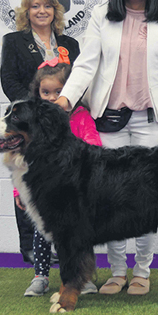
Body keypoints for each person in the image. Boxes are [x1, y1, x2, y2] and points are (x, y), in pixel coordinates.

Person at [56, 0, 158, 296]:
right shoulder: (102, 16)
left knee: (146, 201)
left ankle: (142, 272)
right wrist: (65, 100)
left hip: (152, 123)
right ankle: (116, 273)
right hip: (108, 122)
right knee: (108, 200)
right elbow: (86, 63)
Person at [0, 0, 80, 265]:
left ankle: (60, 240)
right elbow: (8, 81)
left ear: (56, 10)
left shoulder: (70, 44)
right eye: (35, 6)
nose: (41, 11)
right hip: (27, 126)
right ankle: (30, 247)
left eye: (47, 6)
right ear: (27, 11)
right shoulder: (14, 41)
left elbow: (77, 81)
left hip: (62, 124)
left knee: (59, 180)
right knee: (25, 178)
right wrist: (34, 111)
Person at [21, 59, 102, 296]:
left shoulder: (80, 117)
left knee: (80, 233)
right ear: (37, 94)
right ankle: (41, 276)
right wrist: (19, 192)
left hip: (74, 193)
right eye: (45, 92)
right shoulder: (32, 127)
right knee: (41, 231)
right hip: (46, 195)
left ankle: (83, 277)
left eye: (59, 91)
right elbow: (23, 163)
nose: (52, 97)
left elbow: (94, 148)